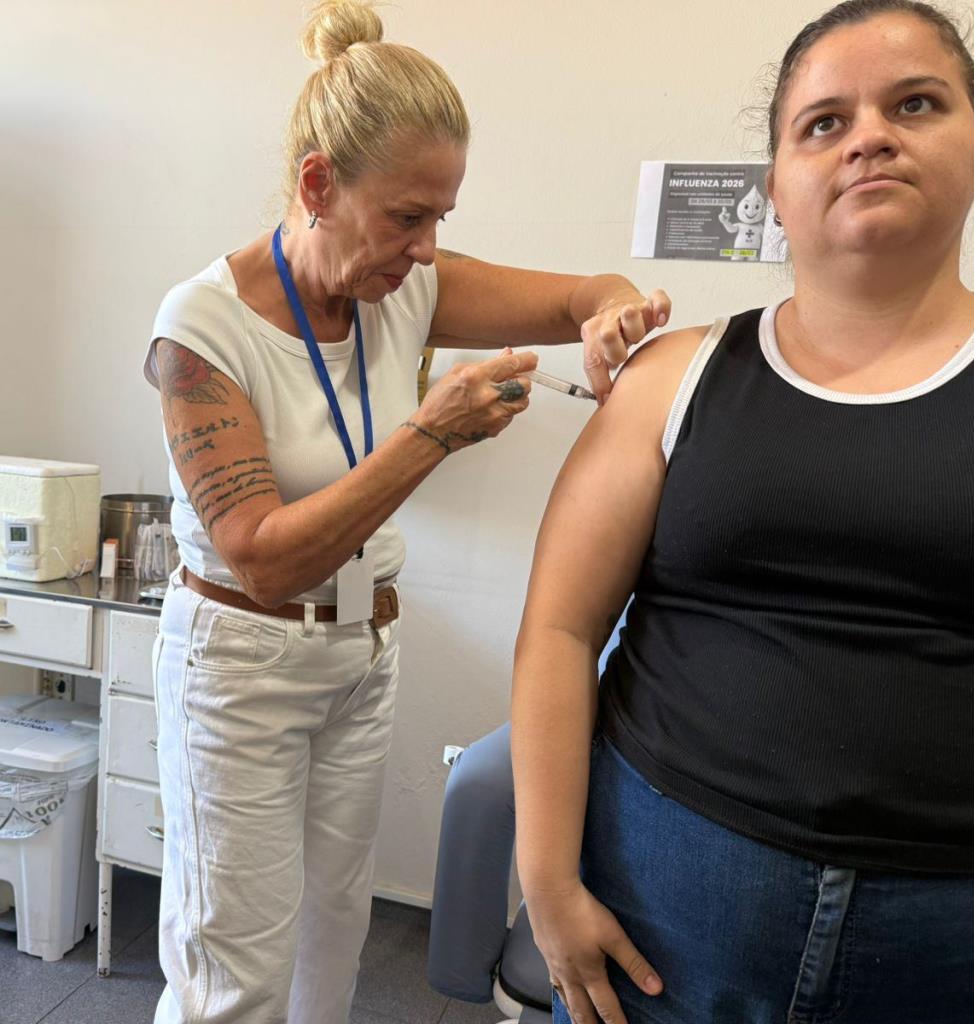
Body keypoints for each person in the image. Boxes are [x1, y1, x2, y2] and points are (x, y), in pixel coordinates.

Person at [143, 3, 669, 1022]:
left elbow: (583, 294)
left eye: (442, 220)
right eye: (405, 217)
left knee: (331, 938)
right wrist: (431, 433)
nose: (425, 251)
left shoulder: (398, 290)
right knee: (231, 969)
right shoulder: (200, 327)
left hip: (360, 651)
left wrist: (612, 313)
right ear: (315, 185)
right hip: (239, 664)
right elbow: (258, 558)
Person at [512, 3, 974, 1023]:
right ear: (775, 192)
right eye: (822, 123)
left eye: (914, 103)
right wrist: (547, 884)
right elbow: (559, 630)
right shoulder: (675, 377)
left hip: (958, 954)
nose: (869, 134)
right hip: (658, 924)